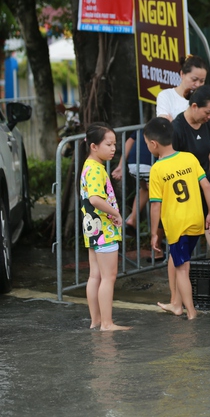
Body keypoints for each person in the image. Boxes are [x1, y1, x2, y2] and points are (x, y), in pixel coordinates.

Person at [156, 85, 210, 314]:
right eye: (208, 112)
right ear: (194, 106)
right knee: (179, 249)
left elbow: (206, 152)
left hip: (205, 186)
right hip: (185, 194)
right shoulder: (177, 129)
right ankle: (175, 300)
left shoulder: (209, 125)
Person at [144, 117, 210, 320]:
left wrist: (153, 234)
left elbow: (155, 205)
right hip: (196, 220)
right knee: (178, 259)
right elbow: (206, 185)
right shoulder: (189, 158)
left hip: (177, 226)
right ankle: (176, 304)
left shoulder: (157, 169)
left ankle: (191, 313)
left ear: (153, 144)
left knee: (182, 269)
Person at [80, 122, 130, 331]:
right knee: (108, 277)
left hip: (93, 230)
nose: (113, 149)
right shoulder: (95, 169)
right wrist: (116, 212)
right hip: (104, 230)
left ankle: (97, 321)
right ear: (94, 146)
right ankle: (107, 323)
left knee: (95, 276)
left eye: (114, 144)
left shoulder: (89, 166)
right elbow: (94, 199)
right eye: (108, 144)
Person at [111, 130, 152, 231]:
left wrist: (121, 165)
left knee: (145, 189)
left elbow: (129, 142)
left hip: (134, 165)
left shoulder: (144, 128)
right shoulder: (169, 125)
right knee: (159, 197)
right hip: (150, 164)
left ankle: (132, 219)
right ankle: (157, 233)